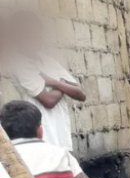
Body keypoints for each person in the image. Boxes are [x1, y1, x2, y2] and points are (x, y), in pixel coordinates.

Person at [6, 11, 86, 152]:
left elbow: (80, 94)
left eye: (36, 35)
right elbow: (48, 101)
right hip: (40, 138)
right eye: (28, 35)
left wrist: (54, 82)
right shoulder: (19, 63)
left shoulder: (49, 61)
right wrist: (63, 84)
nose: (33, 40)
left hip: (61, 136)